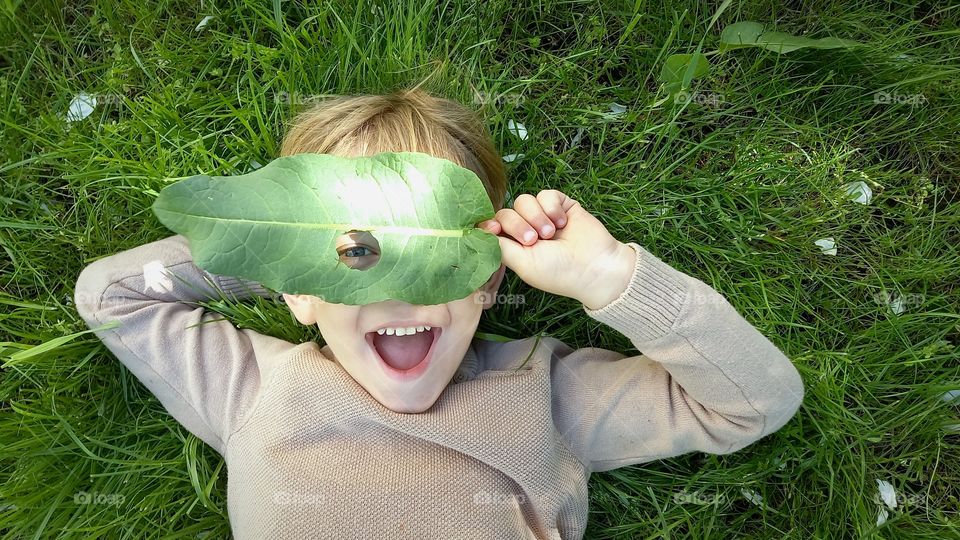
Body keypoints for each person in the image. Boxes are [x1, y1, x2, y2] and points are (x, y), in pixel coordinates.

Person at [74, 87, 804, 539]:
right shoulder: (254, 390)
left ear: (488, 279)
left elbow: (754, 403)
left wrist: (611, 278)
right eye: (358, 259)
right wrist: (280, 248)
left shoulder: (542, 391)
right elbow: (114, 294)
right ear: (296, 289)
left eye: (433, 260)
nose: (402, 293)